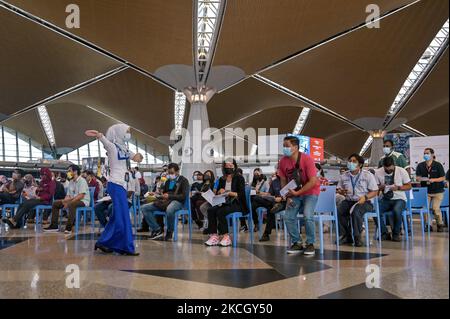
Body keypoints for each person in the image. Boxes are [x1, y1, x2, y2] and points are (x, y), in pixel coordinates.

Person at [84, 125, 143, 255]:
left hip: (121, 185)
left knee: (117, 216)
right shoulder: (112, 147)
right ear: (120, 133)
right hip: (115, 184)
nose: (129, 134)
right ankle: (126, 247)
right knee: (123, 216)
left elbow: (137, 158)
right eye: (127, 132)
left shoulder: (125, 148)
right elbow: (104, 141)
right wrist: (99, 135)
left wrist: (140, 155)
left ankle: (103, 242)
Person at [278, 136, 320, 256]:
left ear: (295, 147)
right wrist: (287, 195)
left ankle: (310, 243)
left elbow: (312, 181)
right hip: (294, 193)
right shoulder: (283, 161)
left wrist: (298, 193)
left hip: (310, 192)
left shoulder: (307, 159)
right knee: (288, 216)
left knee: (307, 215)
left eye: (287, 146)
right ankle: (297, 242)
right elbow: (283, 179)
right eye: (284, 146)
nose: (284, 148)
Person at [337, 154, 379, 247]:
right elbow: (339, 189)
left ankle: (357, 237)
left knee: (356, 211)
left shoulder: (368, 175)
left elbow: (375, 191)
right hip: (349, 201)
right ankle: (346, 236)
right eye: (350, 161)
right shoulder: (344, 176)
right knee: (340, 210)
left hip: (364, 201)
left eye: (354, 161)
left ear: (360, 165)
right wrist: (341, 192)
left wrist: (366, 197)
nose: (351, 163)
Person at [204, 158, 248, 247]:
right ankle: (214, 236)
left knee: (221, 211)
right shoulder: (221, 179)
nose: (229, 167)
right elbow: (218, 193)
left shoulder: (239, 178)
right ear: (224, 168)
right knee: (211, 210)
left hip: (237, 203)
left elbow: (241, 194)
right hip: (224, 202)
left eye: (231, 165)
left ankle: (226, 237)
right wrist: (219, 192)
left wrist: (228, 192)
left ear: (235, 166)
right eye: (227, 166)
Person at [141, 163, 189, 241]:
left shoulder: (183, 181)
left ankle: (170, 231)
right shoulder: (167, 181)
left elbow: (183, 196)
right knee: (144, 207)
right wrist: (157, 194)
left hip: (177, 202)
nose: (170, 174)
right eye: (169, 173)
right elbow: (164, 194)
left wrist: (170, 196)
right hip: (166, 201)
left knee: (170, 210)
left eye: (172, 173)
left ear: (177, 171)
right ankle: (157, 229)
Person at [43, 165, 90, 234]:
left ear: (75, 171)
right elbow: (68, 195)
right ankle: (54, 226)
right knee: (56, 203)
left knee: (72, 204)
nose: (68, 173)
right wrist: (64, 201)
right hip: (72, 200)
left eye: (69, 171)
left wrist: (69, 203)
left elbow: (81, 195)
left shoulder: (82, 181)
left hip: (83, 201)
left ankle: (69, 227)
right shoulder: (71, 182)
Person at [375, 156, 412, 241]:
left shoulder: (402, 171)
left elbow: (409, 186)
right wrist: (381, 187)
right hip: (385, 199)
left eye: (390, 169)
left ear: (394, 165)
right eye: (386, 169)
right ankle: (384, 233)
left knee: (397, 210)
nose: (388, 171)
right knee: (375, 210)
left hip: (399, 199)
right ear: (383, 166)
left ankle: (396, 233)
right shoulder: (378, 172)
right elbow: (375, 187)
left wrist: (398, 188)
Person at [415, 148, 447, 232]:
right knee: (425, 208)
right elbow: (417, 177)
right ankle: (428, 225)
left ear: (432, 155)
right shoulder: (420, 165)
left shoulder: (438, 165)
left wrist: (433, 180)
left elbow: (443, 178)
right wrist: (421, 179)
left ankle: (440, 224)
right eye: (424, 153)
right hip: (425, 191)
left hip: (438, 191)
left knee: (435, 208)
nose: (425, 155)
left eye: (427, 153)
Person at [259, 173, 285, 242]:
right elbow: (270, 194)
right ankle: (266, 234)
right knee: (258, 199)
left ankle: (266, 234)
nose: (278, 172)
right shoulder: (274, 182)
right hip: (274, 201)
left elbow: (291, 194)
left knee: (270, 209)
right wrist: (266, 196)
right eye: (277, 170)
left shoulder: (288, 180)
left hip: (285, 202)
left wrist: (281, 198)